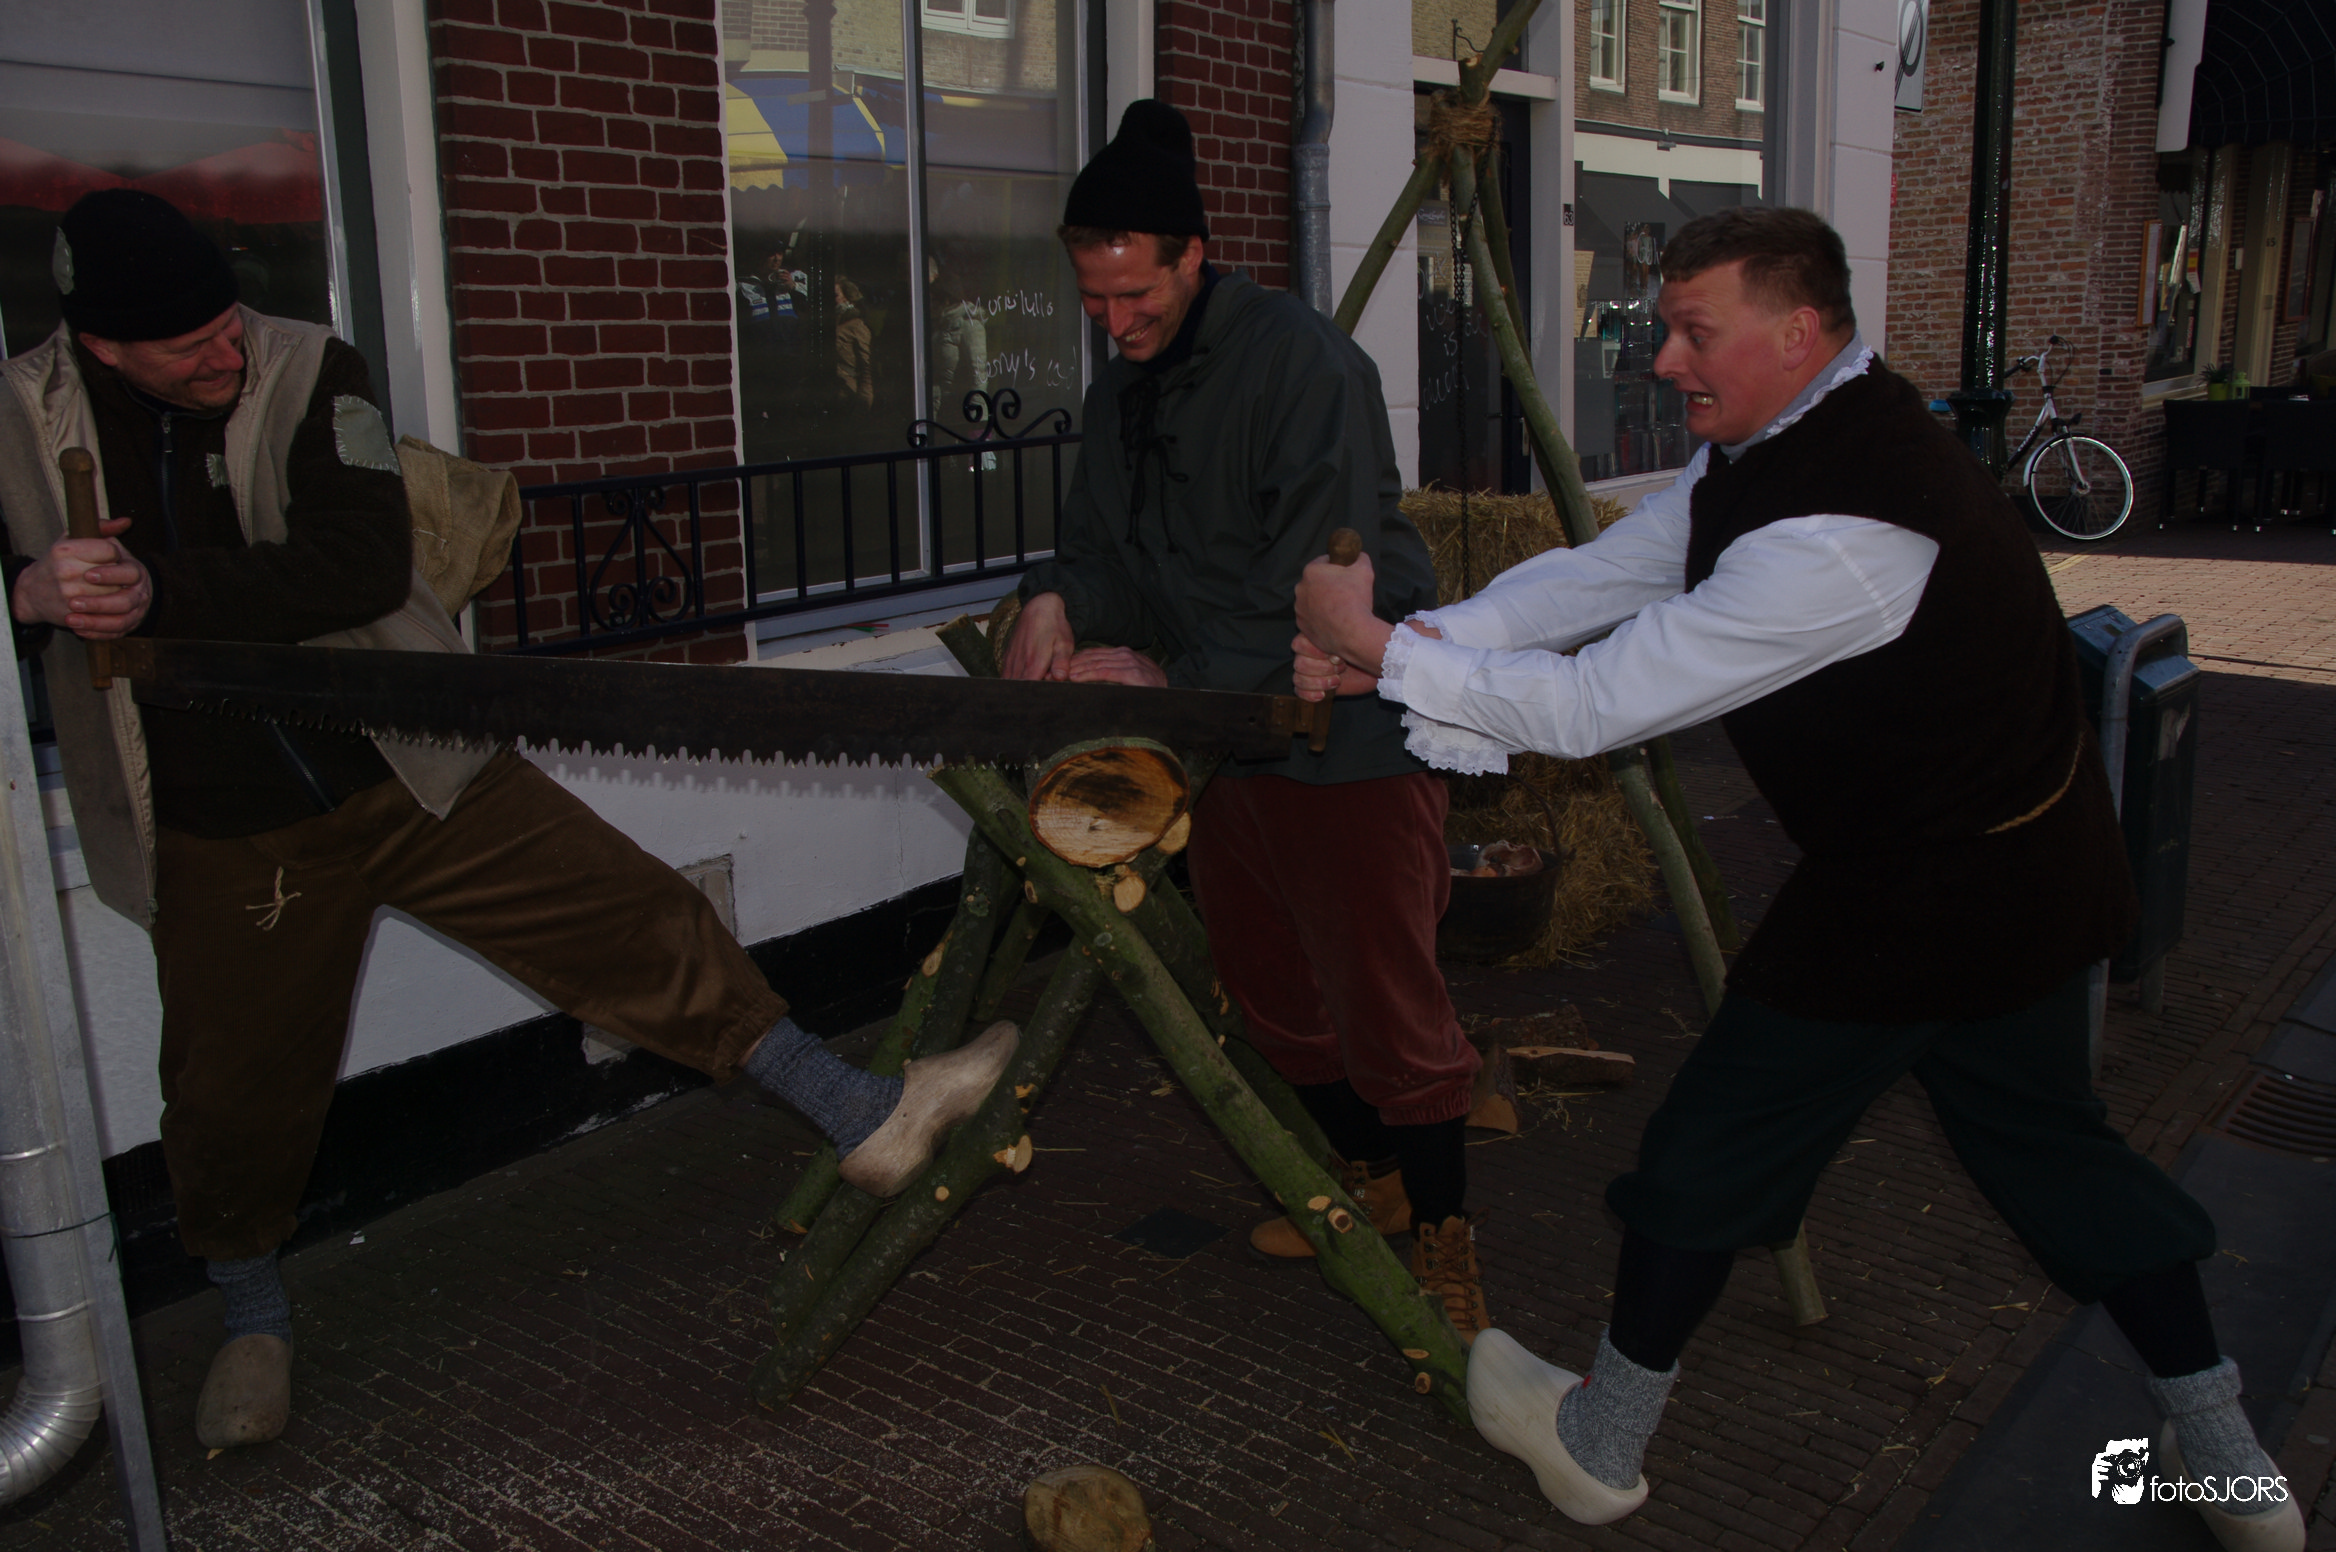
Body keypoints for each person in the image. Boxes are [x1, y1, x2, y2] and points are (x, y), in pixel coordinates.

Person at [1292, 206, 2304, 1552]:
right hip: (2015, 879)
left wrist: (1372, 645)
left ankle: (1600, 1447)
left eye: (1693, 331)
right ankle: (2224, 1454)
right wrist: (1414, 637)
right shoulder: (1791, 440)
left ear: (1799, 330)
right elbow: (1605, 573)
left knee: (1707, 1152)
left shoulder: (1841, 534)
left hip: (1915, 901)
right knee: (2058, 1155)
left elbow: (1597, 703)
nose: (1662, 359)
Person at [0, 190, 1016, 1452]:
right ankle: (252, 1319)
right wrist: (31, 591)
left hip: (414, 765)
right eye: (187, 345)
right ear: (102, 348)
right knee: (231, 1095)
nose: (226, 353)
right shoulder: (20, 417)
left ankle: (862, 1115)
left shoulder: (310, 367)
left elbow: (356, 562)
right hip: (227, 828)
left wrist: (157, 592)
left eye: (227, 322)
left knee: (634, 919)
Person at [1000, 100, 1491, 1341]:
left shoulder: (1301, 365)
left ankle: (1448, 1239)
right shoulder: (1119, 394)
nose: (1114, 325)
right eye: (1092, 300)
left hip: (1344, 735)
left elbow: (1311, 593)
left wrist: (1163, 679)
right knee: (1271, 997)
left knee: (1387, 1005)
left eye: (1134, 296)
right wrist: (1058, 599)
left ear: (1194, 256)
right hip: (1223, 745)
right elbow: (1108, 557)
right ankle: (1375, 1180)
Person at [833, 277, 874, 412]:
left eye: (835, 295)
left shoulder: (856, 325)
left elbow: (866, 364)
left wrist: (865, 398)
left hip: (846, 391)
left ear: (847, 298)